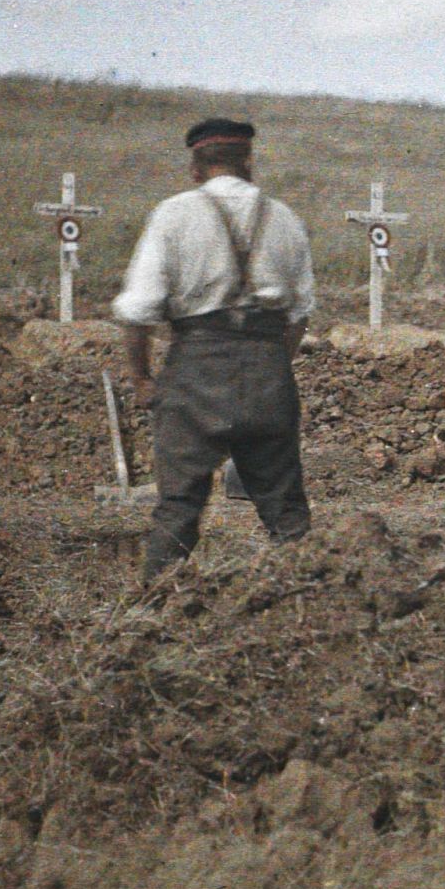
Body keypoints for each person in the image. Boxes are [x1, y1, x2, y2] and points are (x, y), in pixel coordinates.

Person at [114, 118, 317, 582]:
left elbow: (138, 310)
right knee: (286, 511)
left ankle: (153, 612)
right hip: (268, 368)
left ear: (195, 166)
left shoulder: (174, 214)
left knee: (179, 506)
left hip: (197, 367)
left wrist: (142, 378)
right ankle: (312, 605)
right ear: (248, 162)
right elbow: (301, 313)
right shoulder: (284, 217)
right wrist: (272, 364)